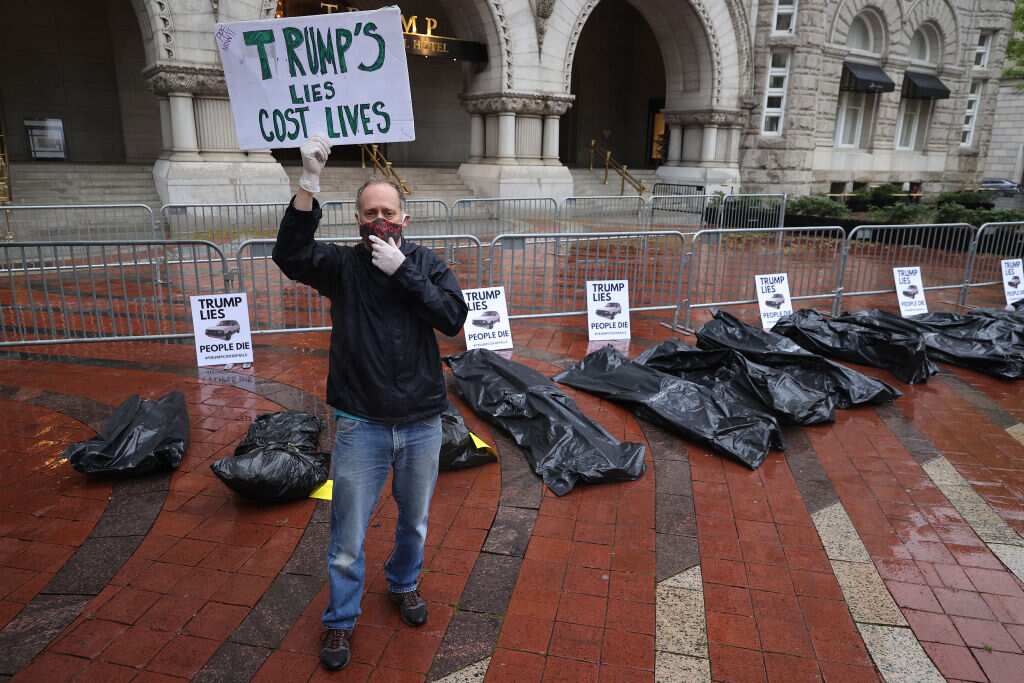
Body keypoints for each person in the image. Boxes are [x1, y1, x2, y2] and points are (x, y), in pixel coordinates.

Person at [273, 135, 469, 671]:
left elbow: (453, 318)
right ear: (357, 220)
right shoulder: (343, 266)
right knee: (347, 533)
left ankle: (403, 584)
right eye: (369, 213)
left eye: (388, 212)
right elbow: (289, 256)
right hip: (361, 420)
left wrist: (402, 271)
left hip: (421, 420)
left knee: (415, 521)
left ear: (404, 219)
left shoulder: (426, 263)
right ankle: (340, 619)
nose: (379, 220)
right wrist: (308, 184)